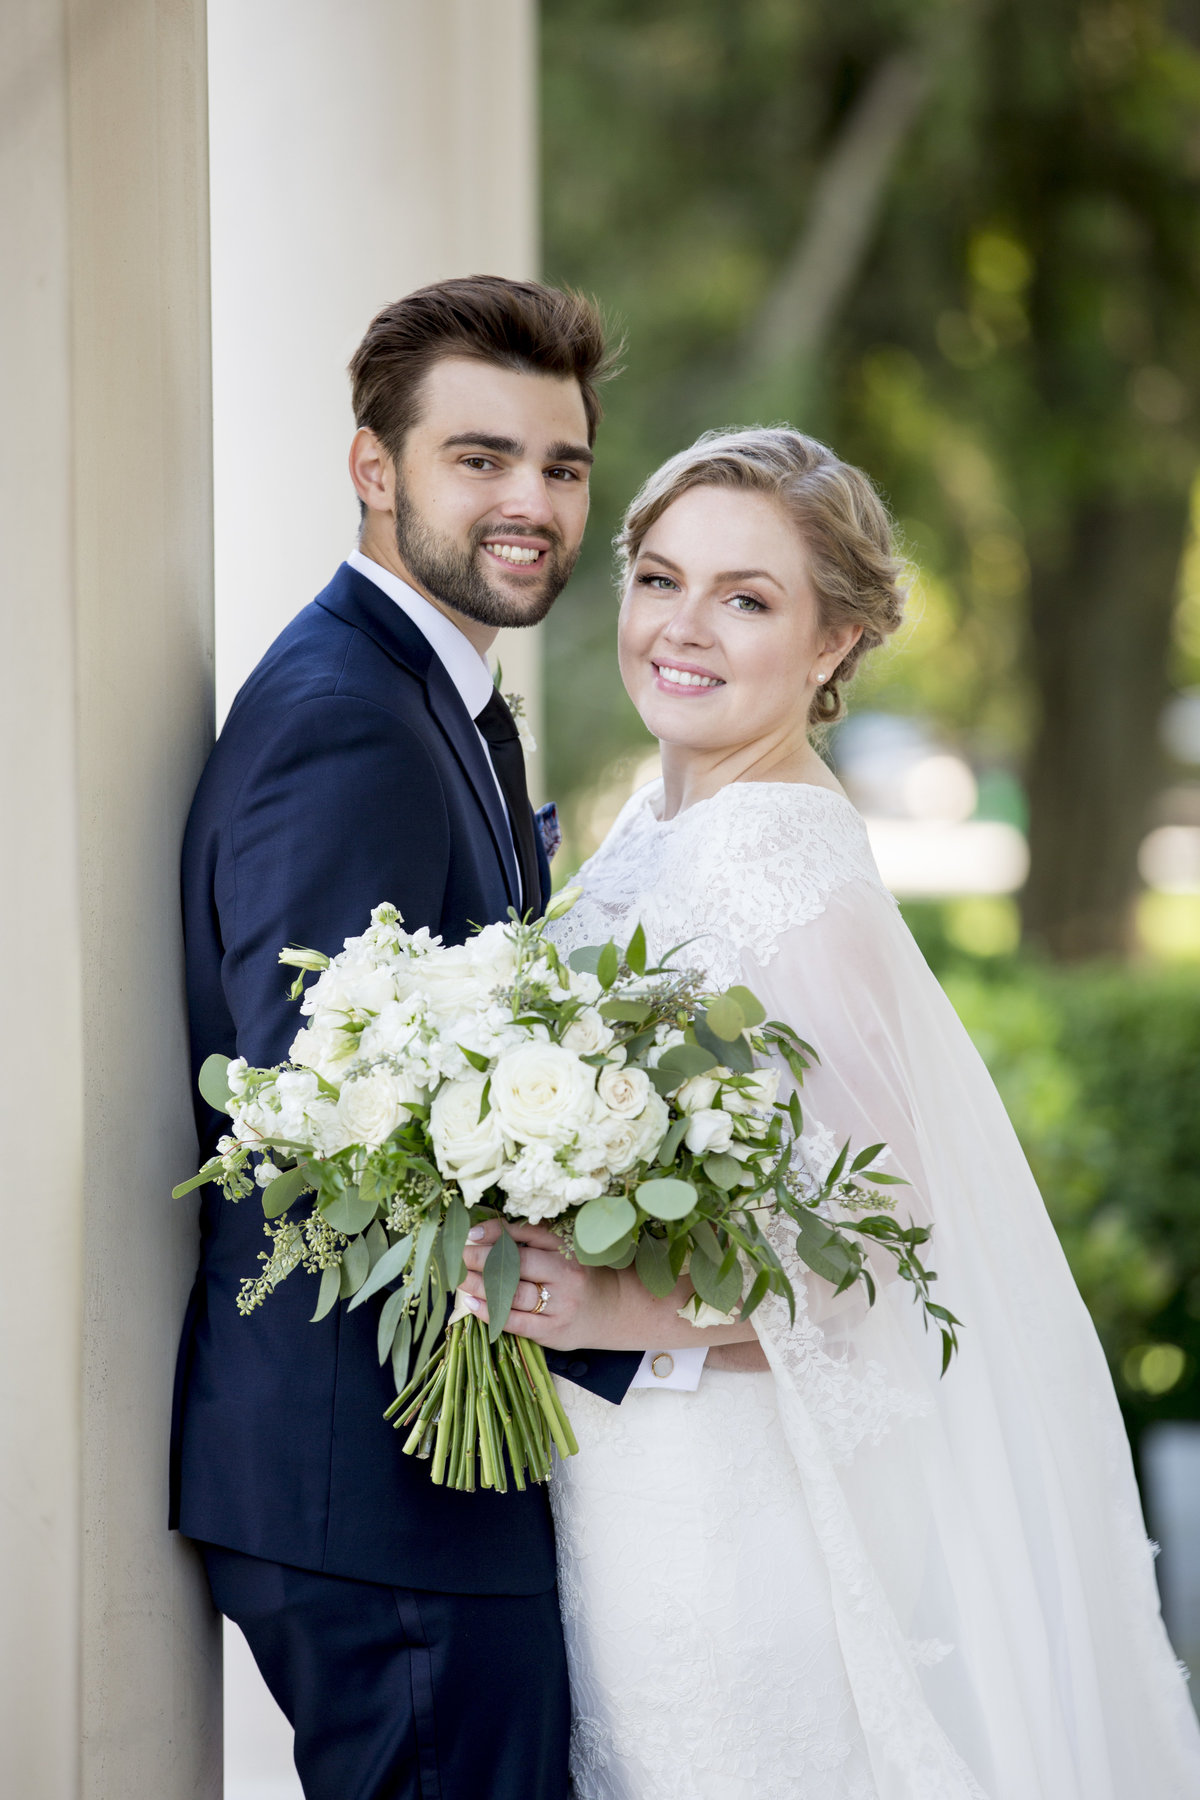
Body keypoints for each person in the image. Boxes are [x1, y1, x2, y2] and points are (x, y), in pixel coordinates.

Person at [458, 426, 1200, 1798]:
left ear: (834, 643)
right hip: (620, 1470)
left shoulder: (790, 866)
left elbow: (876, 1246)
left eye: (747, 599)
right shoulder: (661, 823)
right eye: (662, 579)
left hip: (719, 1504)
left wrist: (617, 1309)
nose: (683, 628)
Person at [170, 276, 644, 1800]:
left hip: (423, 1480)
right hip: (377, 1488)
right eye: (480, 458)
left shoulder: (435, 697)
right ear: (374, 469)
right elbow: (324, 1100)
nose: (531, 503)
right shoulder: (349, 714)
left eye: (561, 467)